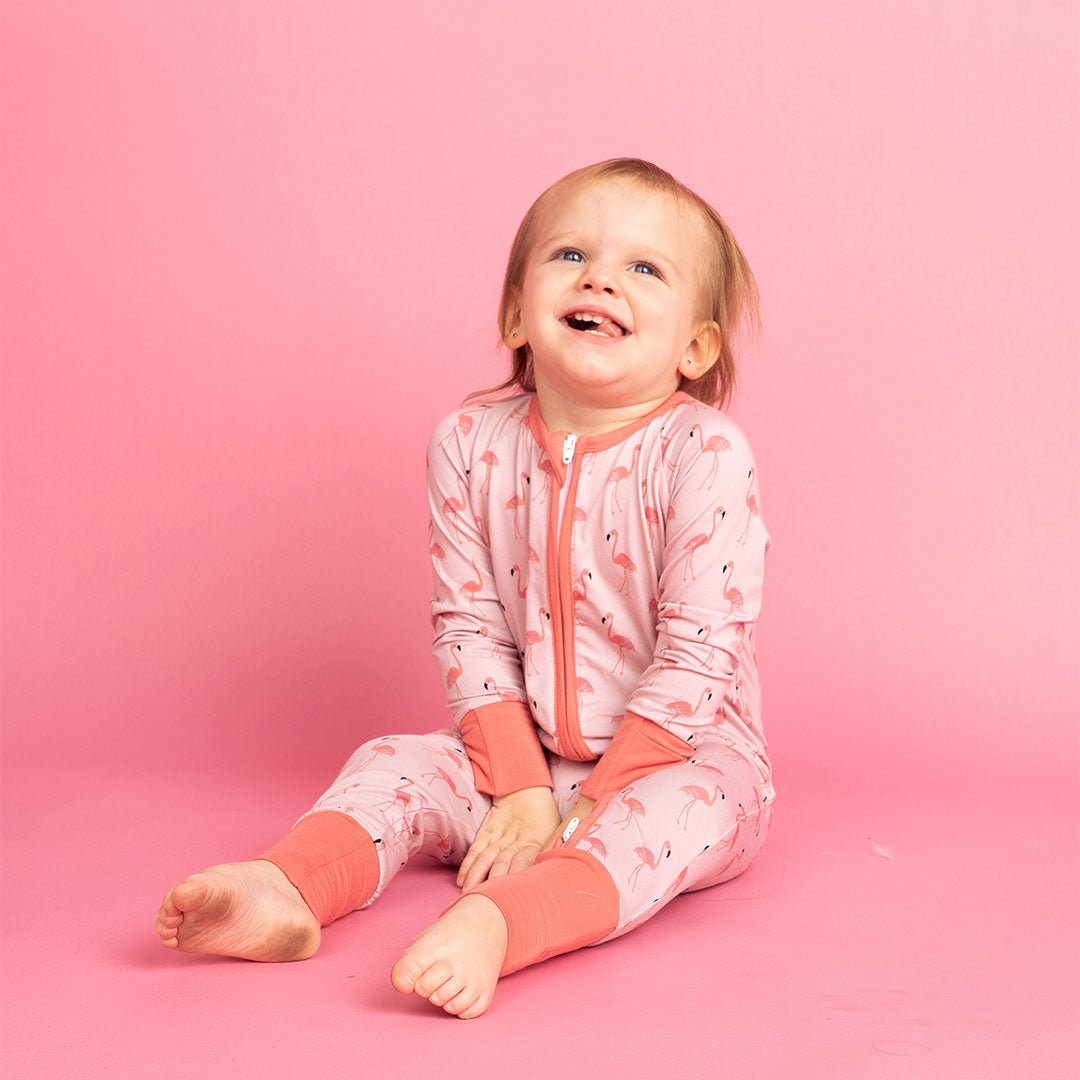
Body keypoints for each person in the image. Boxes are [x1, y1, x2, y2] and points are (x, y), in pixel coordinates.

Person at [155, 157, 775, 1020]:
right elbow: (469, 626)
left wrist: (594, 800)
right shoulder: (469, 444)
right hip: (518, 761)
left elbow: (698, 654)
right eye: (569, 255)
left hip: (687, 760)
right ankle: (287, 887)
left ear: (696, 346)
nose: (600, 275)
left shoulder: (701, 456)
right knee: (393, 762)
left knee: (663, 823)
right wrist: (521, 788)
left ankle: (497, 923)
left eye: (644, 268)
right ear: (517, 313)